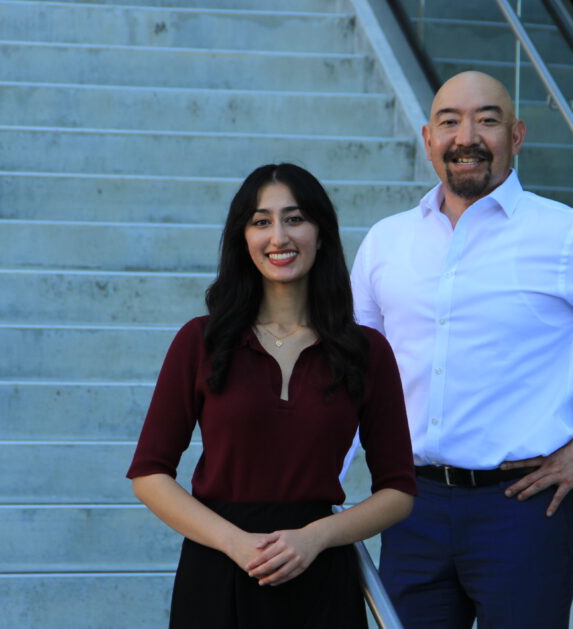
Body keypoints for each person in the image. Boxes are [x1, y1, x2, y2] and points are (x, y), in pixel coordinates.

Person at [349, 71, 573, 628]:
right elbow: (352, 372)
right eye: (449, 122)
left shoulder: (568, 235)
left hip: (519, 509)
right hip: (408, 505)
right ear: (427, 139)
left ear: (516, 136)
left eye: (487, 120)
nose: (466, 136)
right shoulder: (387, 241)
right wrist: (318, 480)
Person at [127, 163, 416, 629]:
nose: (278, 236)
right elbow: (149, 475)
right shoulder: (201, 341)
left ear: (321, 233)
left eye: (295, 218)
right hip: (218, 572)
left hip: (321, 576)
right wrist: (234, 542)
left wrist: (317, 537)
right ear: (243, 239)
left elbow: (399, 491)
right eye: (261, 221)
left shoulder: (366, 351)